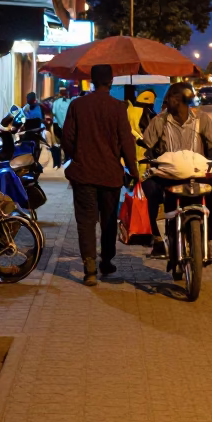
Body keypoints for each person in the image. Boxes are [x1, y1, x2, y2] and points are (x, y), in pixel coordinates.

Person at [61, 64, 140, 286]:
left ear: (92, 80)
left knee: (86, 222)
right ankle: (106, 261)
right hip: (110, 175)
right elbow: (127, 142)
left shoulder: (77, 105)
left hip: (84, 174)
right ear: (111, 81)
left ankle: (90, 269)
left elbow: (67, 138)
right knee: (108, 221)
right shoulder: (118, 107)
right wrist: (133, 171)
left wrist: (76, 156)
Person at [141, 81, 212, 264]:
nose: (168, 99)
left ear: (184, 98)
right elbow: (147, 145)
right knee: (149, 187)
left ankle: (208, 237)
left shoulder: (201, 119)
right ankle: (158, 238)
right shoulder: (159, 121)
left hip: (196, 177)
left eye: (173, 95)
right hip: (168, 177)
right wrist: (150, 153)